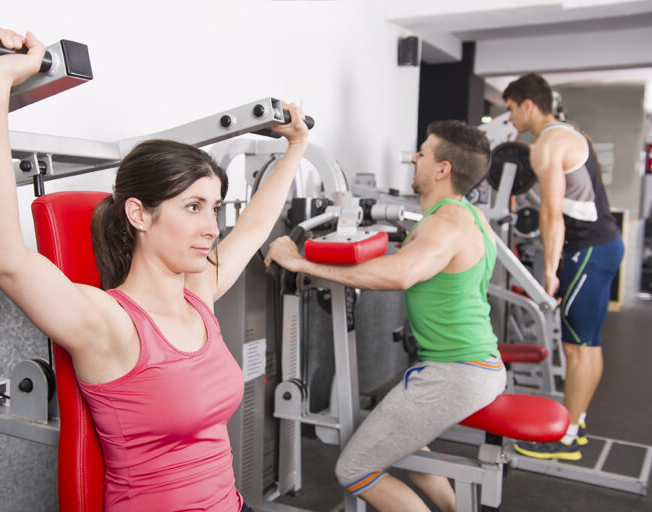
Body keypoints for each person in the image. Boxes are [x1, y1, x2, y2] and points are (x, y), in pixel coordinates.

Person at [0, 26, 308, 511]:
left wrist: (295, 148)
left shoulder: (199, 295)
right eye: (193, 207)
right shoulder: (109, 325)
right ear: (140, 214)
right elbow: (3, 257)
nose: (211, 227)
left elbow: (250, 231)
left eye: (215, 208)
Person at [265, 120, 505, 512]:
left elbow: (401, 273)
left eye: (423, 152)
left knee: (355, 469)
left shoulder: (444, 225)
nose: (414, 157)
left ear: (442, 169)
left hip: (455, 372)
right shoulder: (471, 218)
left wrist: (301, 262)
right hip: (478, 365)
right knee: (407, 440)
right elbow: (423, 262)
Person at [503, 73, 624, 461]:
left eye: (509, 110)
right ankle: (578, 421)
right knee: (587, 344)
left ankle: (566, 437)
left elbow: (553, 215)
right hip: (604, 245)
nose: (510, 120)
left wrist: (550, 271)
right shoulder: (573, 135)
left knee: (576, 348)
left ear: (528, 105)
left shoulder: (546, 145)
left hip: (584, 250)